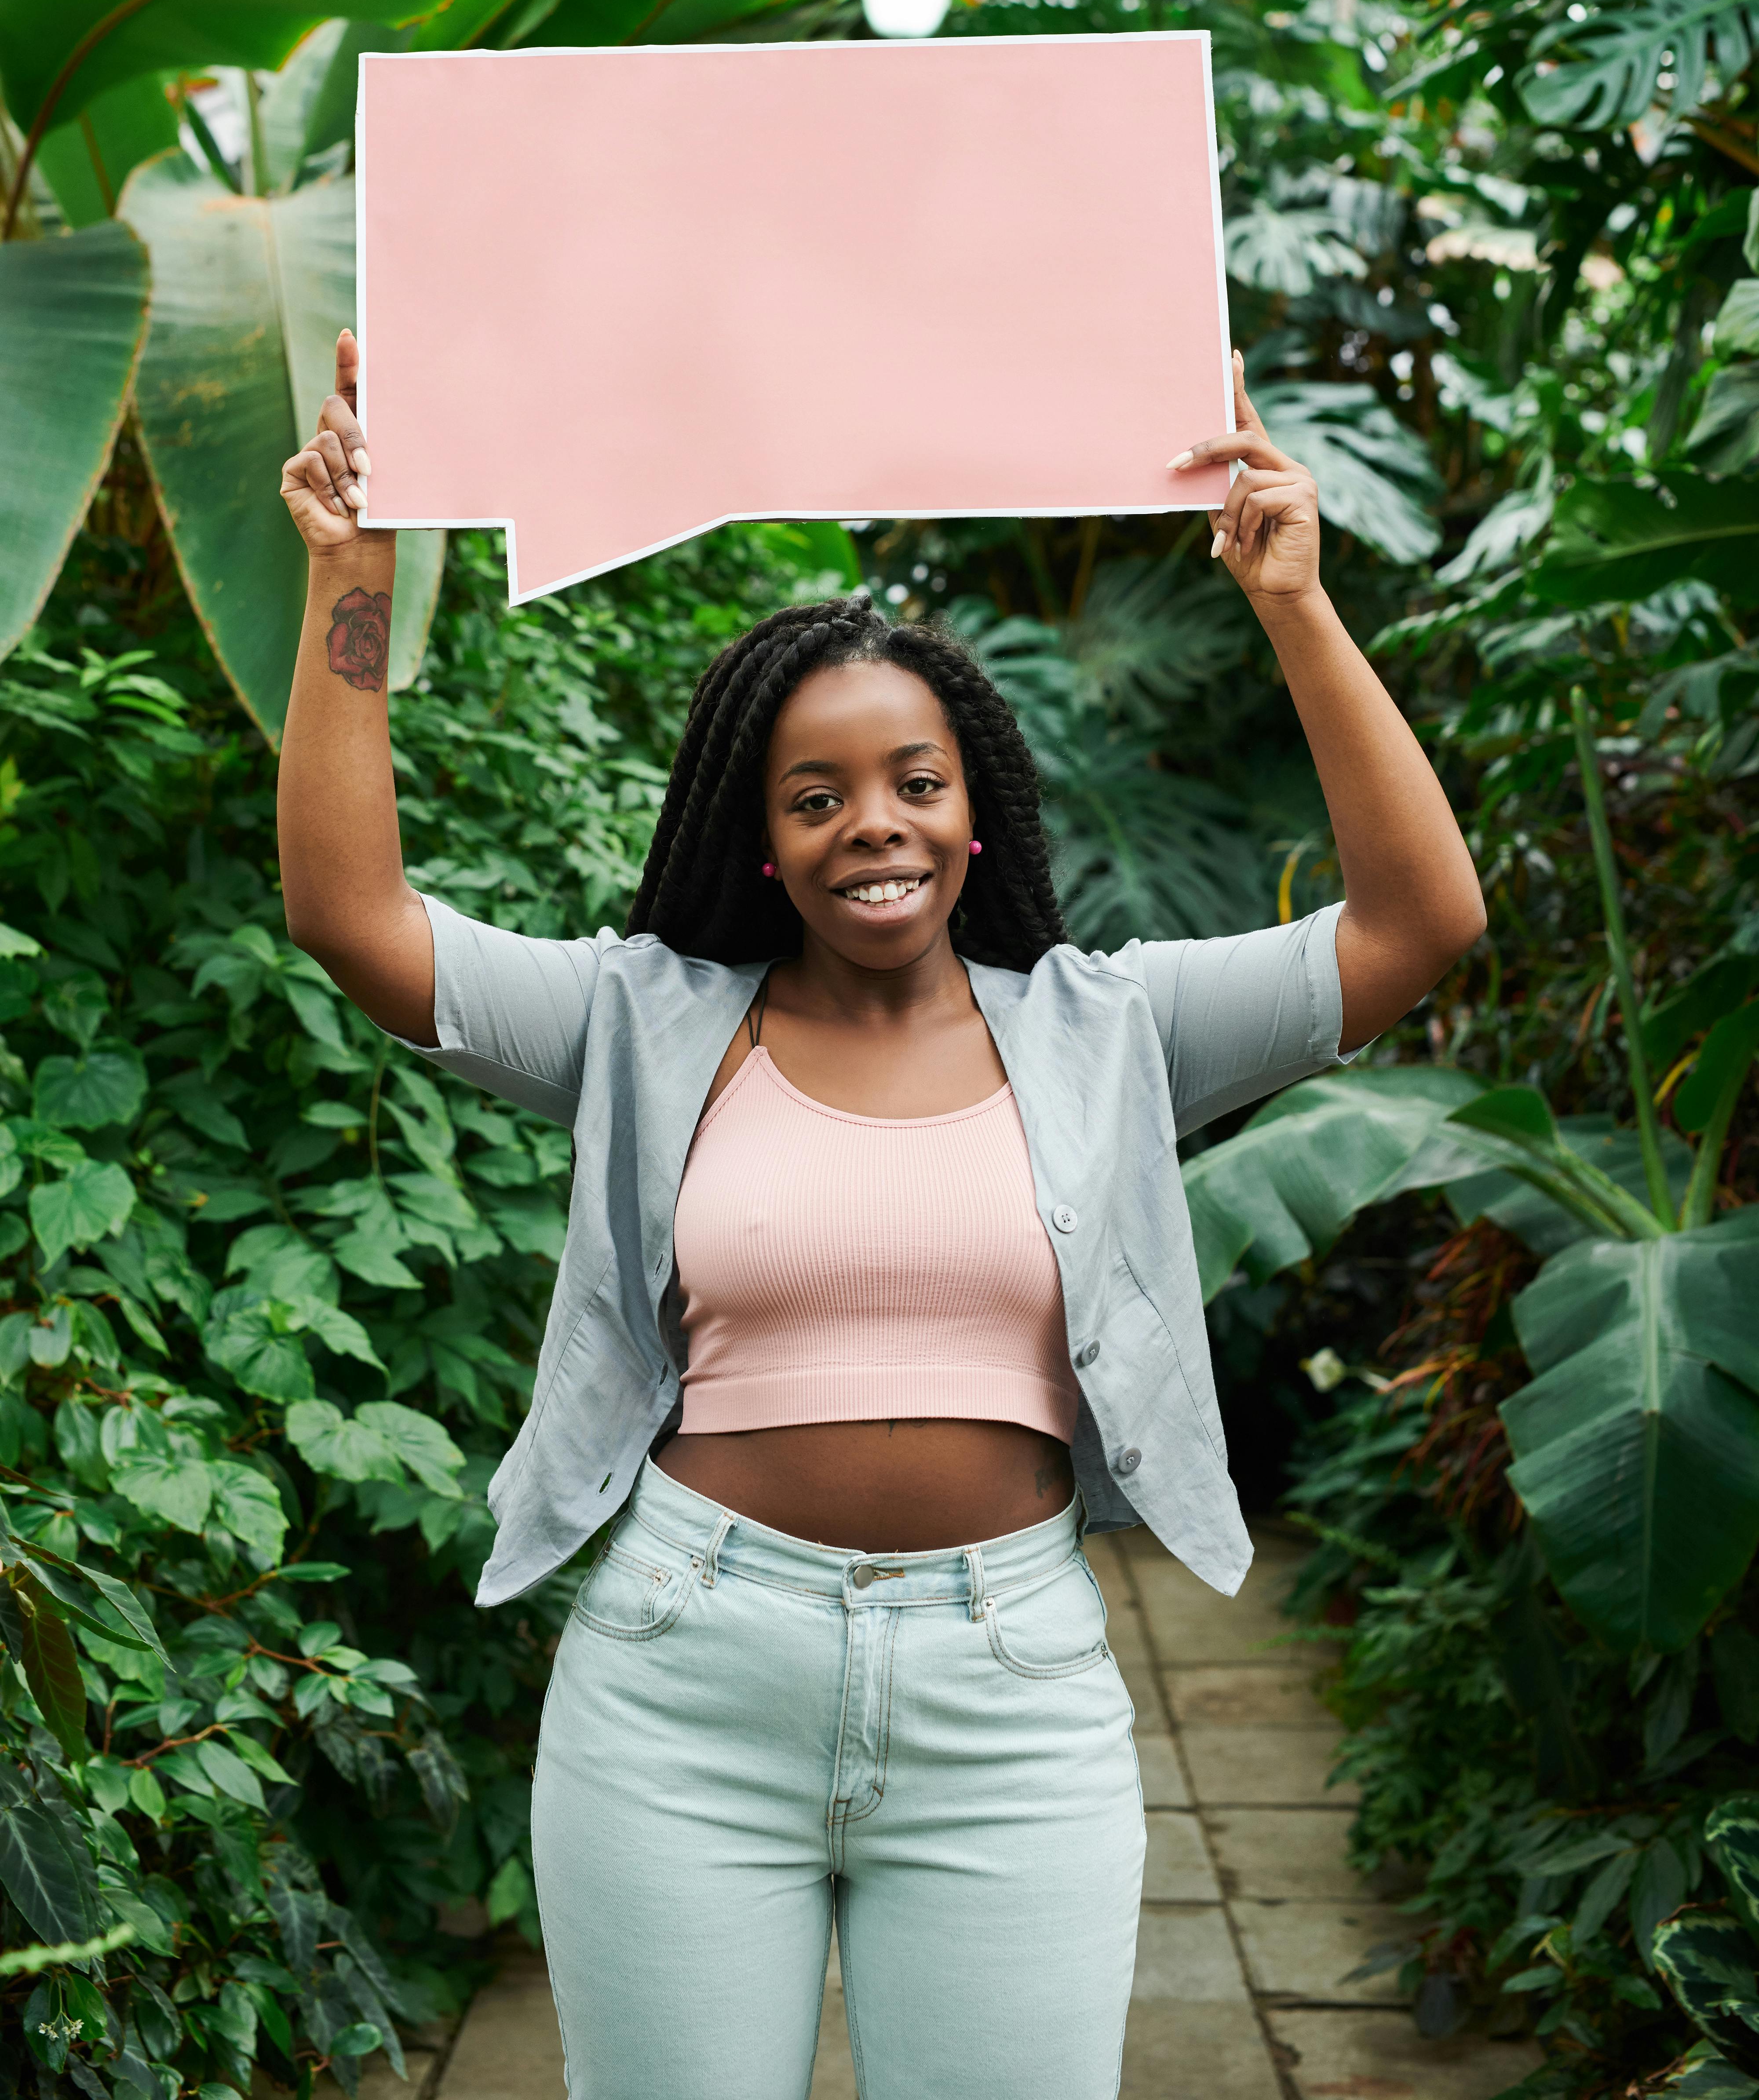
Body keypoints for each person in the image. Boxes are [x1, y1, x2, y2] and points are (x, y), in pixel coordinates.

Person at [277, 331, 1483, 2100]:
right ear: (758, 838)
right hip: (686, 1683)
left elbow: (1417, 925)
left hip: (1010, 1691)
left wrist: (1292, 601)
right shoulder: (642, 1019)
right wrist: (351, 595)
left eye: (915, 780)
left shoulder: (1113, 1029)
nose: (875, 827)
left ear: (976, 803)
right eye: (816, 794)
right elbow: (353, 915)